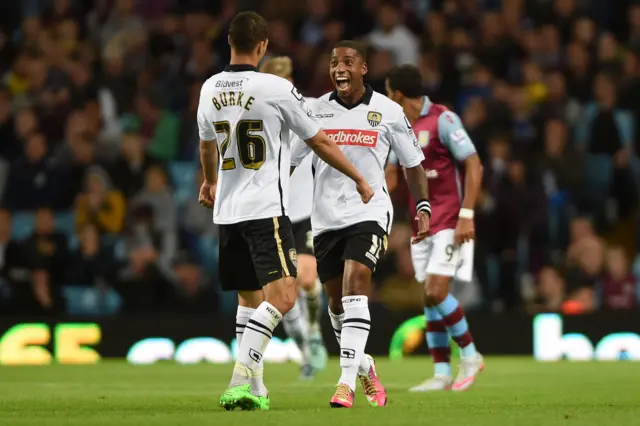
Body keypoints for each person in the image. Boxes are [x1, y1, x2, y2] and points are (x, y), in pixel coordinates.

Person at [196, 12, 373, 412]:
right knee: (285, 296)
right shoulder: (275, 88)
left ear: (229, 41)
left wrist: (209, 182)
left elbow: (207, 146)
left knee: (249, 300)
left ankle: (256, 388)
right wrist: (359, 178)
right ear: (261, 46)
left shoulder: (209, 89)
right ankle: (240, 376)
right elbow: (320, 142)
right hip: (264, 210)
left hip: (226, 211)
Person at [290, 41, 430, 408]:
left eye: (348, 61)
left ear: (363, 69)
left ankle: (345, 383)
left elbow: (412, 162)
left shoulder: (388, 111)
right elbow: (290, 162)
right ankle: (365, 366)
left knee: (357, 281)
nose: (339, 67)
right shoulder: (314, 110)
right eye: (334, 62)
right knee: (337, 307)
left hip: (369, 212)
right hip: (324, 220)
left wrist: (423, 206)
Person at [385, 65, 485, 392]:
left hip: (450, 219)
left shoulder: (443, 119)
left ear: (398, 94)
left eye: (388, 92)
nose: (387, 98)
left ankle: (470, 355)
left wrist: (467, 214)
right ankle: (442, 372)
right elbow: (390, 177)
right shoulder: (397, 127)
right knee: (428, 299)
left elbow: (473, 163)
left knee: (436, 290)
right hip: (420, 225)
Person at [260, 55, 328, 379]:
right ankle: (304, 349)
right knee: (280, 289)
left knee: (307, 278)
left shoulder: (313, 106)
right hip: (272, 210)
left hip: (305, 210)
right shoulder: (257, 112)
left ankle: (314, 330)